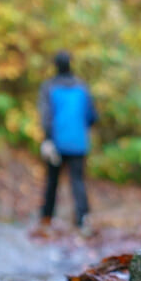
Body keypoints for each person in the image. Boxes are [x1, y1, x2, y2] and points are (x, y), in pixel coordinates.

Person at [38, 50, 98, 229]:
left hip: (56, 142)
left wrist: (47, 138)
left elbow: (46, 116)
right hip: (79, 143)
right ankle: (82, 219)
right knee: (77, 181)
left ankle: (47, 217)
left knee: (52, 181)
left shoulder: (49, 87)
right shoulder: (82, 87)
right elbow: (92, 116)